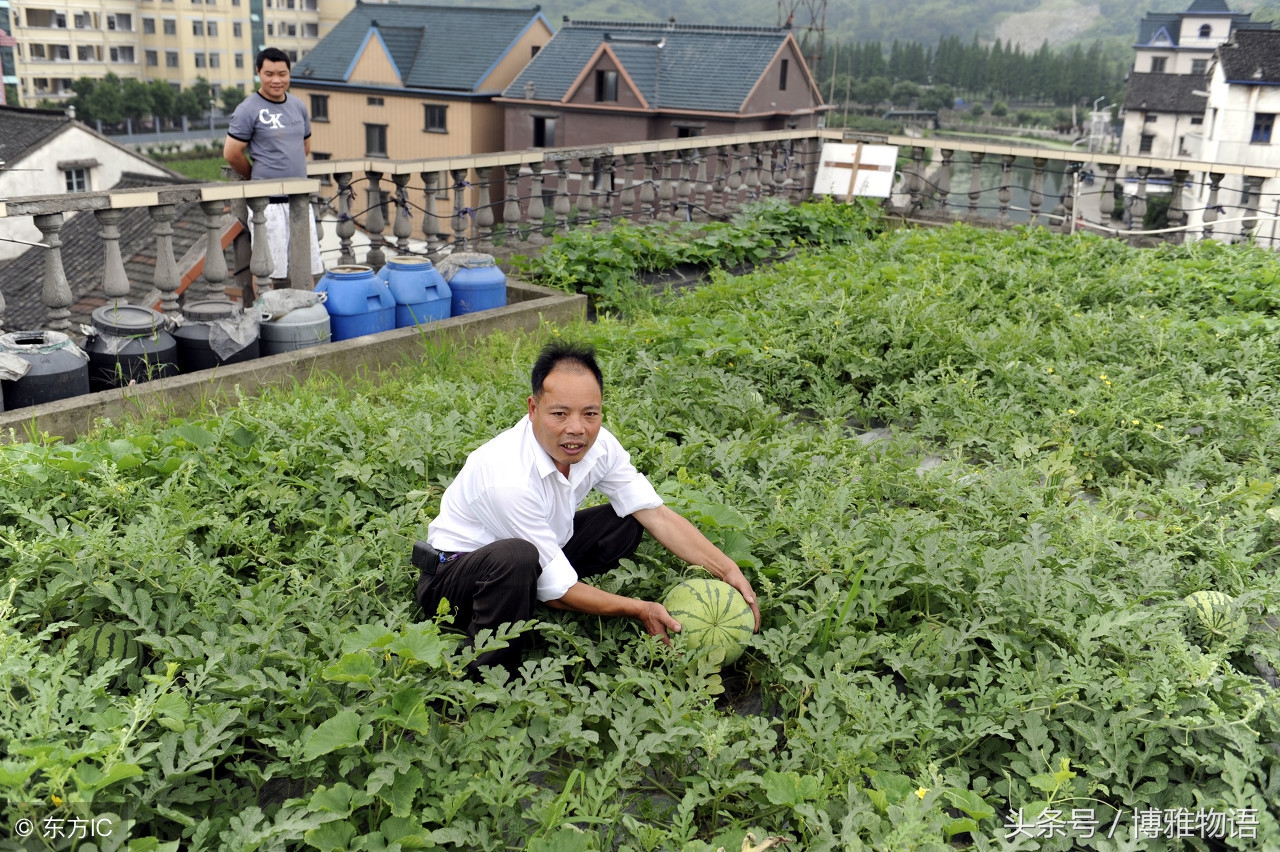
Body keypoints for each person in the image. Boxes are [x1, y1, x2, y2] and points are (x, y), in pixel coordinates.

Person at [415, 340, 761, 678]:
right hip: (456, 581)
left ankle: (530, 594)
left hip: (532, 552)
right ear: (533, 409)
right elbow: (555, 588)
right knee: (517, 558)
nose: (576, 429)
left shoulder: (599, 446)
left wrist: (727, 568)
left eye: (589, 414)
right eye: (560, 414)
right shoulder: (506, 477)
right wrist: (639, 609)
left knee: (625, 520)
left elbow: (656, 514)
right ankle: (484, 674)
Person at [223, 47, 324, 289]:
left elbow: (305, 147)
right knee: (267, 270)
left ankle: (308, 319)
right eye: (269, 74)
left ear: (290, 74)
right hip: (267, 205)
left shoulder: (298, 106)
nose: (276, 80)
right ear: (258, 72)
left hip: (299, 200)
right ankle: (266, 321)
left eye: (282, 73)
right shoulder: (248, 109)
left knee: (306, 266)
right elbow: (231, 153)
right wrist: (256, 177)